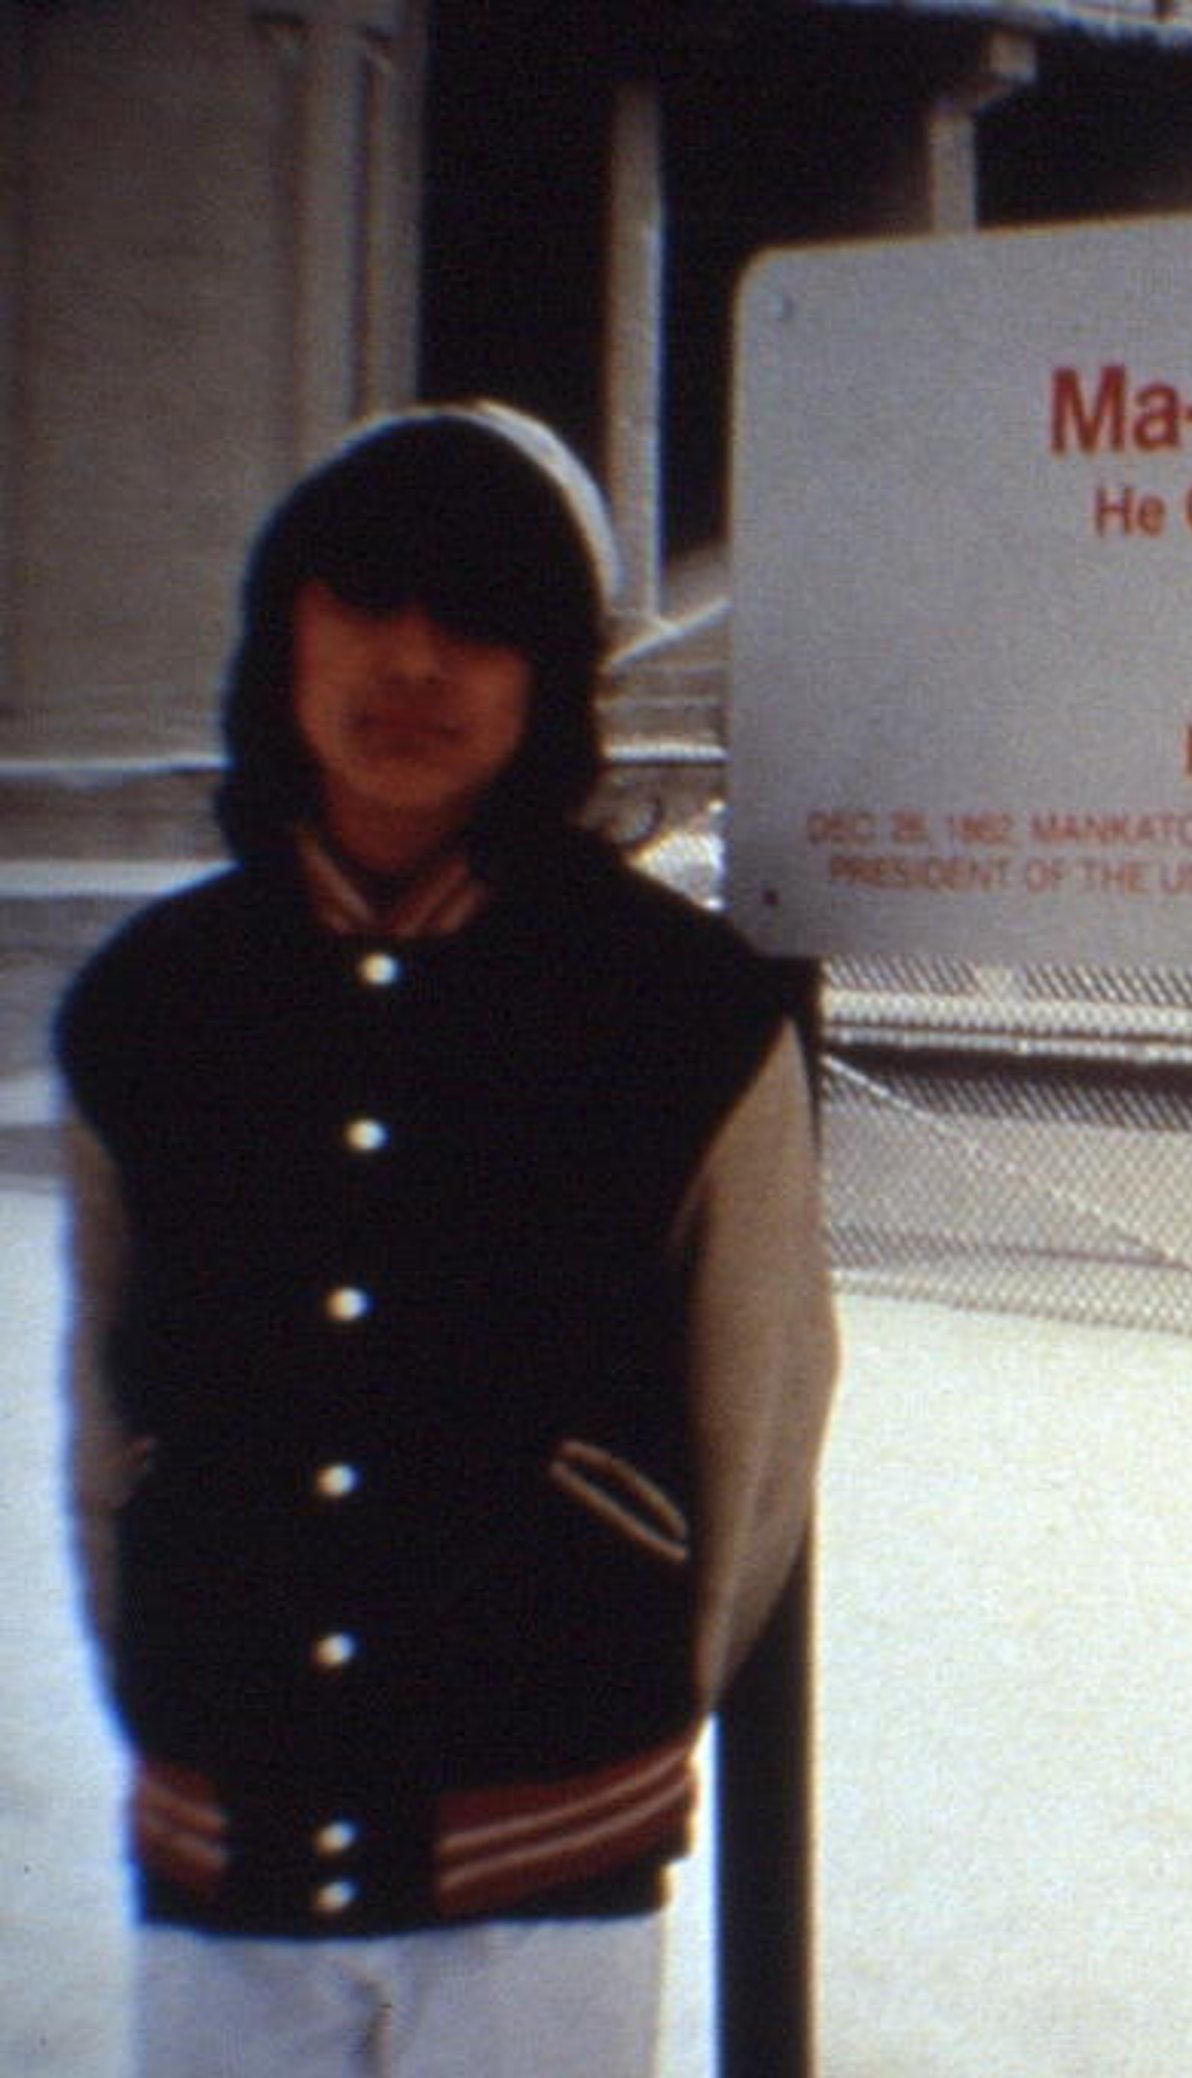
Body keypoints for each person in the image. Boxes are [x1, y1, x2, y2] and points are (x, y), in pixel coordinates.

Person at [55, 403, 838, 2076]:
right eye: (365, 604)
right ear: (286, 638)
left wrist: (613, 1690)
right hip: (226, 1823)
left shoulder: (682, 1013)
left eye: (476, 617)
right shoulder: (151, 1006)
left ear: (551, 675)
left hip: (543, 1858)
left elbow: (758, 1415)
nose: (412, 661)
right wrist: (178, 1684)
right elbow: (101, 1405)